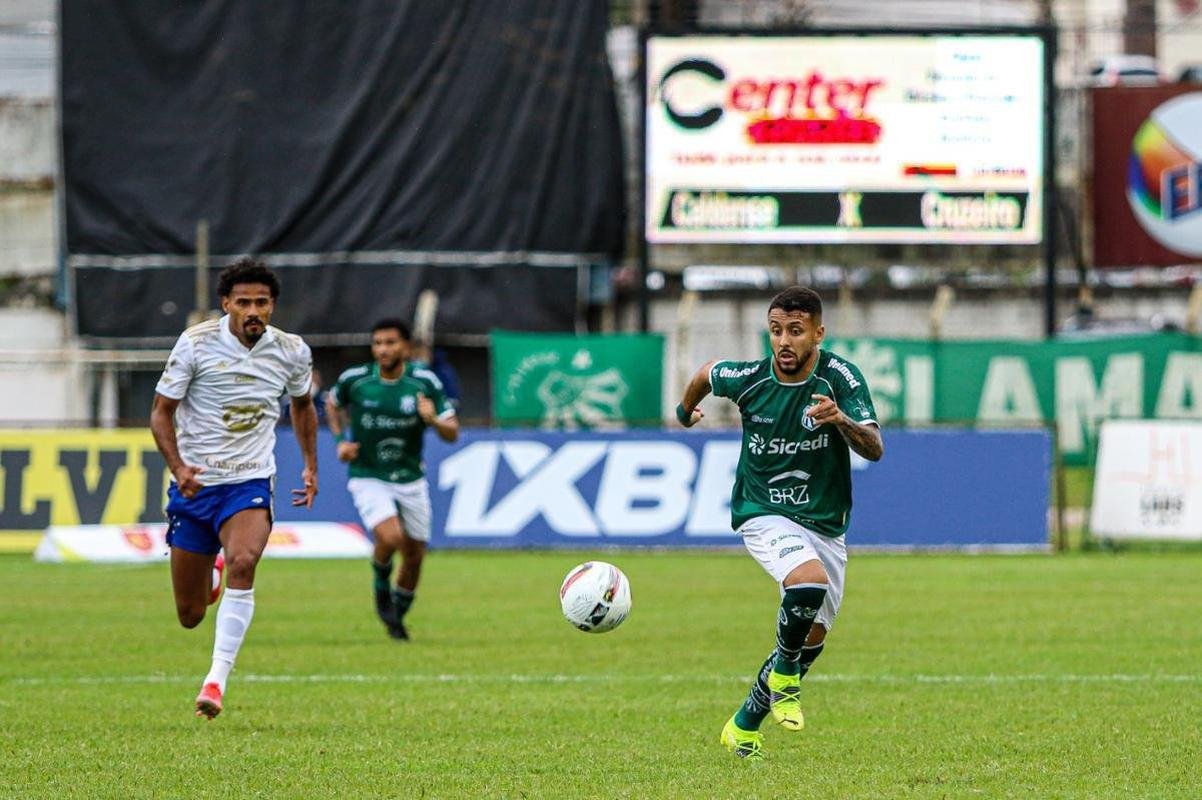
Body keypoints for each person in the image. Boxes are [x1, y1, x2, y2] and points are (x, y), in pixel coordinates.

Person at [675, 286, 883, 761]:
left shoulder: (841, 379)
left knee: (813, 636)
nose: (784, 341)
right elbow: (706, 374)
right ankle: (784, 674)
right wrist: (685, 413)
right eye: (775, 331)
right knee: (806, 584)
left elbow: (874, 447)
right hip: (763, 510)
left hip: (825, 523)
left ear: (818, 333)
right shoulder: (750, 377)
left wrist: (841, 421)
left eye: (795, 330)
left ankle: (743, 726)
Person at [150, 257, 318, 720]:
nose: (253, 311)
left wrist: (309, 465)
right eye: (243, 302)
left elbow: (303, 406)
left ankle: (215, 680)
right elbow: (161, 412)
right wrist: (179, 466)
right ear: (225, 304)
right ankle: (212, 574)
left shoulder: (291, 350)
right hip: (195, 486)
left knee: (246, 559)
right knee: (190, 614)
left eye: (261, 302)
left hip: (248, 480)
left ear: (272, 306)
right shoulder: (196, 343)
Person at [326, 318, 458, 640]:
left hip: (410, 478)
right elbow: (332, 403)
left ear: (406, 348)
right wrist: (340, 441)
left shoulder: (424, 382)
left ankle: (396, 616)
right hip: (368, 475)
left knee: (414, 556)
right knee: (390, 538)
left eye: (390, 343)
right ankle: (380, 583)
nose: (383, 349)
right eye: (378, 343)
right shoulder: (355, 380)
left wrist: (433, 420)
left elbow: (452, 432)